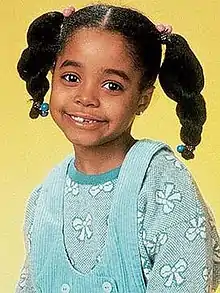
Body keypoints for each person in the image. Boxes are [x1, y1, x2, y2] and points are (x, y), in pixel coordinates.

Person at [15, 4, 220, 293]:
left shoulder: (160, 183)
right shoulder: (44, 198)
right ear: (52, 77)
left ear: (143, 98)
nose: (86, 98)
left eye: (112, 85)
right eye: (71, 78)